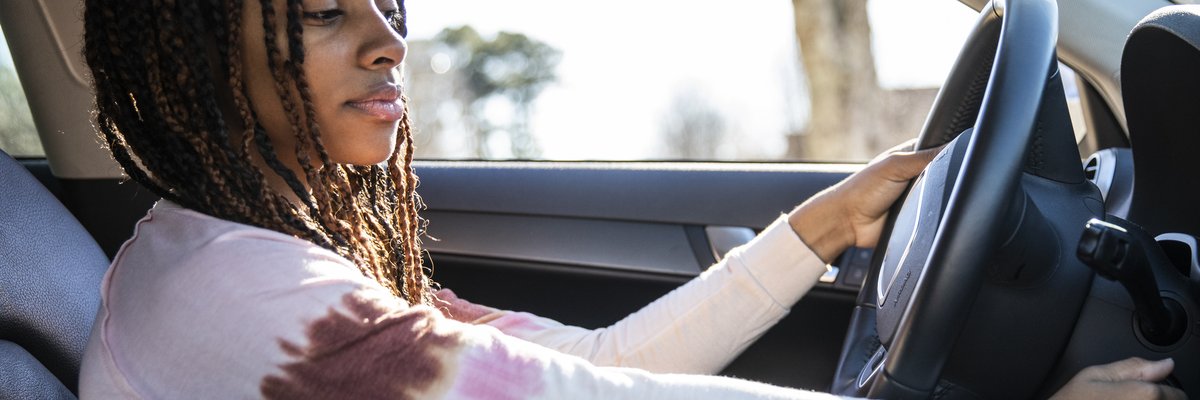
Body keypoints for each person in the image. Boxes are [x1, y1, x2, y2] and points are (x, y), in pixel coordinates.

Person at [76, 0, 1185, 398]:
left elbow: (593, 370)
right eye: (321, 12)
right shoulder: (252, 304)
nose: (389, 37)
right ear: (200, 57)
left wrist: (826, 226)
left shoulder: (255, 255)